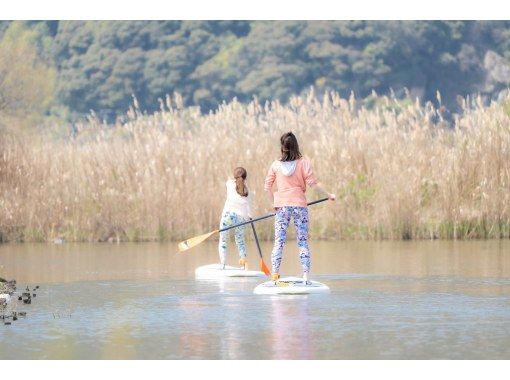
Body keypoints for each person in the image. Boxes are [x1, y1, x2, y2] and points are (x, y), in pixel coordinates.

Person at [264, 132, 335, 284]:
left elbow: (267, 186)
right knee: (302, 242)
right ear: (296, 145)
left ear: (282, 147)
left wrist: (273, 204)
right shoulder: (304, 163)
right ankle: (305, 276)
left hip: (281, 208)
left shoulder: (275, 165)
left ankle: (275, 275)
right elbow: (313, 184)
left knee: (279, 242)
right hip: (299, 206)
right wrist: (329, 195)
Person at [218, 167, 252, 269]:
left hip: (228, 216)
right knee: (240, 241)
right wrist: (250, 217)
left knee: (223, 240)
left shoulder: (229, 184)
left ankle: (223, 264)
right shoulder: (248, 191)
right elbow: (250, 209)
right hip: (241, 219)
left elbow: (231, 181)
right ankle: (244, 265)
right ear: (245, 178)